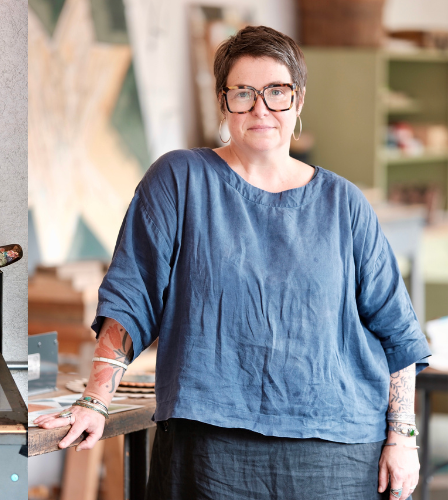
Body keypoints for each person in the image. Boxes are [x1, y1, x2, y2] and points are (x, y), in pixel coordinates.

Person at [33, 25, 432, 499]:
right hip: (210, 449)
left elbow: (397, 332)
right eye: (243, 92)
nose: (261, 107)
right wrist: (94, 401)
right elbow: (130, 298)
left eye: (276, 92)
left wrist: (402, 437)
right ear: (223, 104)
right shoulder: (179, 180)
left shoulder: (344, 204)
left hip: (338, 451)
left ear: (298, 101)